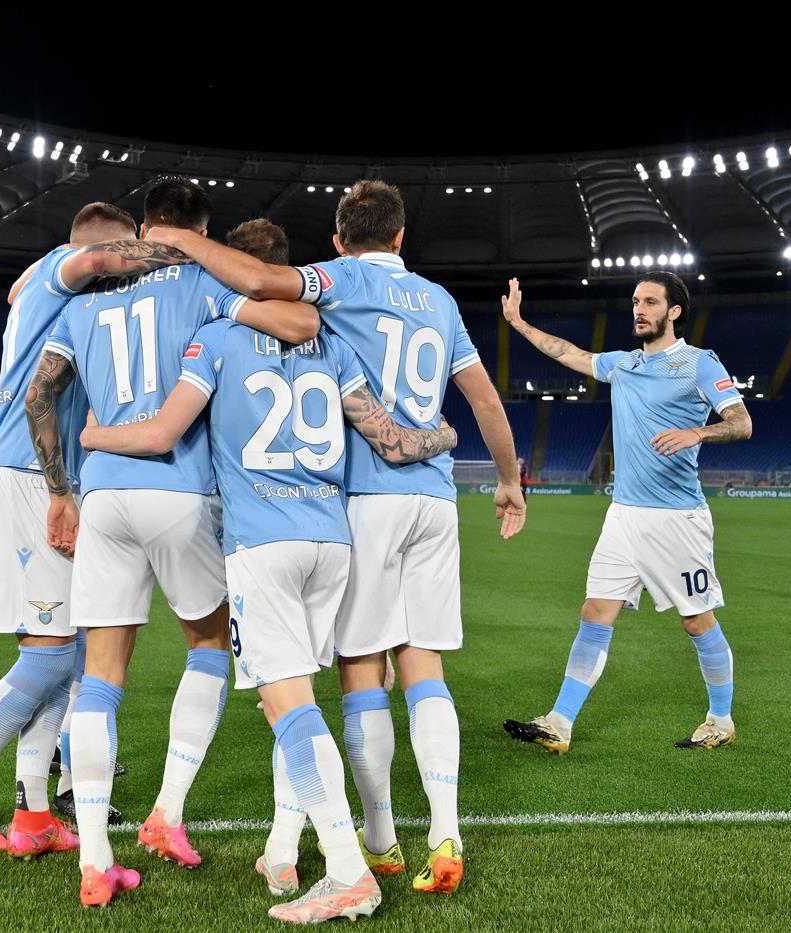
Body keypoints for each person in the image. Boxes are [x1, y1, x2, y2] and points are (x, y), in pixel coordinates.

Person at [138, 179, 527, 894]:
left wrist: (184, 239)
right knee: (424, 665)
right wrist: (507, 479)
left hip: (363, 500)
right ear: (402, 237)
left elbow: (260, 282)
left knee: (353, 673)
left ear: (341, 240)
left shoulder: (336, 284)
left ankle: (376, 841)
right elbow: (482, 398)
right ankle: (445, 826)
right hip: (434, 496)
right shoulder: (439, 303)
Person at [80, 297, 458, 922]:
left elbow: (167, 432)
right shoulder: (333, 346)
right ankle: (282, 849)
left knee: (287, 704)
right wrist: (445, 432)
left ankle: (347, 871)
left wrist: (91, 433)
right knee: (296, 697)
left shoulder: (217, 339)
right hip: (330, 541)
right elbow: (389, 440)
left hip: (263, 543)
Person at [27, 178, 319, 907]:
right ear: (196, 229)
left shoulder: (81, 299)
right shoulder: (196, 282)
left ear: (143, 225)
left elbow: (41, 393)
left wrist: (61, 487)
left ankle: (95, 858)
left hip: (104, 492)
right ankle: (166, 812)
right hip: (179, 489)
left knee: (99, 676)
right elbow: (290, 322)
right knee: (209, 643)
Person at [0, 203, 172, 857]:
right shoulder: (70, 270)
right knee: (52, 653)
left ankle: (32, 813)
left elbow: (26, 281)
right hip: (29, 478)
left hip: (45, 479)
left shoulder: (45, 285)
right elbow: (87, 257)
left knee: (72, 653)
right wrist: (182, 252)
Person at [497, 273, 753, 755]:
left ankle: (720, 720)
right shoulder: (625, 364)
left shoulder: (699, 364)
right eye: (635, 301)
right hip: (623, 517)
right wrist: (518, 322)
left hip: (677, 521)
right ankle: (560, 721)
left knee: (697, 621)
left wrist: (697, 434)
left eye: (650, 302)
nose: (639, 309)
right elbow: (568, 353)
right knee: (595, 612)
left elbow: (741, 422)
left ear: (674, 311)